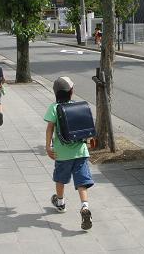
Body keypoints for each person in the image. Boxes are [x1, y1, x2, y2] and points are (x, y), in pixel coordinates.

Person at [44, 76, 94, 230]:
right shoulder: (77, 106)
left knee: (60, 179)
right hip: (81, 151)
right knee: (82, 182)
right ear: (71, 92)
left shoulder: (54, 107)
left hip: (62, 154)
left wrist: (48, 147)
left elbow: (50, 128)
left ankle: (60, 202)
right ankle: (85, 207)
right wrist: (91, 140)